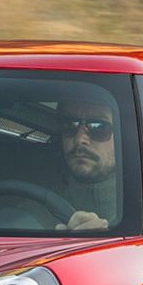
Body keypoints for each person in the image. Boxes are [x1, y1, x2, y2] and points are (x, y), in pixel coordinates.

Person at [56, 91, 121, 231]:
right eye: (70, 125)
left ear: (123, 137)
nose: (80, 140)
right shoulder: (32, 203)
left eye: (99, 127)